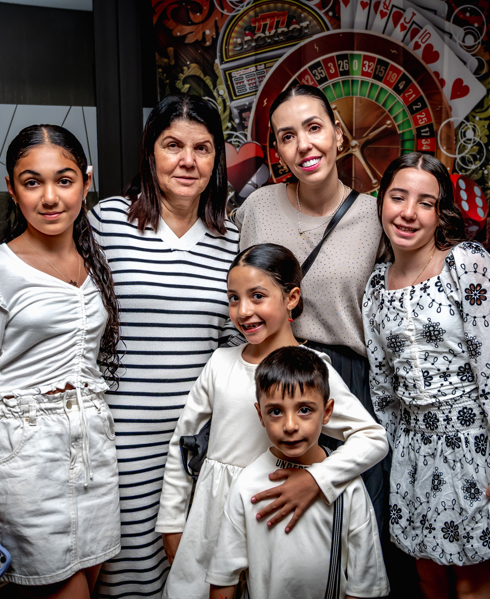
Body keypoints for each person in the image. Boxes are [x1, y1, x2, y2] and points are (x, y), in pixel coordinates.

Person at [0, 95, 345, 598]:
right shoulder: (105, 222)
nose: (187, 161)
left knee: (200, 571)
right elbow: (53, 294)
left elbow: (242, 336)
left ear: (216, 159)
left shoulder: (232, 238)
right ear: (150, 152)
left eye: (202, 148)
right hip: (115, 440)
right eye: (172, 145)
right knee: (123, 574)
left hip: (204, 438)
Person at [0, 125, 122, 596]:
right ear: (11, 188)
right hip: (26, 464)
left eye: (64, 180)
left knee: (89, 585)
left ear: (86, 182)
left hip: (94, 457)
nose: (50, 197)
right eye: (32, 182)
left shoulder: (95, 262)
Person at [362, 153, 490, 599]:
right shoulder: (375, 286)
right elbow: (383, 386)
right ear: (382, 202)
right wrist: (394, 459)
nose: (408, 212)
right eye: (398, 197)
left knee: (472, 586)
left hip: (477, 449)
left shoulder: (466, 263)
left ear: (440, 212)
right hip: (415, 454)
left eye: (425, 202)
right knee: (428, 581)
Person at [156, 244, 388, 598]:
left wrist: (316, 479)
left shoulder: (312, 369)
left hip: (277, 513)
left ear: (291, 298)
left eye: (257, 296)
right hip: (214, 517)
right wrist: (172, 521)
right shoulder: (220, 363)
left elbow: (372, 438)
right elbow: (183, 441)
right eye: (233, 298)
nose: (243, 311)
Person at [234, 83, 390, 535]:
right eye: (287, 136)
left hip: (346, 380)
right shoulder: (257, 208)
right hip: (273, 379)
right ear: (278, 150)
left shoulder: (376, 216)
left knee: (352, 525)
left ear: (338, 133)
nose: (303, 145)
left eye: (314, 127)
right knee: (274, 524)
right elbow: (241, 294)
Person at [206, 346, 390, 599]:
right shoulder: (247, 484)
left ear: (327, 412)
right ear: (260, 415)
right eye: (276, 411)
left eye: (304, 409)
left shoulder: (349, 487)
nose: (290, 426)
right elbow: (223, 576)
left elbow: (363, 585)